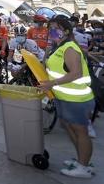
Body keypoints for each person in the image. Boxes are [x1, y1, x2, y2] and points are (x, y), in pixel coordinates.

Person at [39, 16, 95, 178]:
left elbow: (76, 73)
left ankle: (84, 167)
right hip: (64, 97)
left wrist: (52, 83)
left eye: (55, 28)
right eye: (50, 29)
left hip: (77, 99)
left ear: (66, 31)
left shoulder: (70, 47)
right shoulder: (57, 47)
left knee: (81, 131)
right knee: (69, 128)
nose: (52, 32)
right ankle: (81, 160)